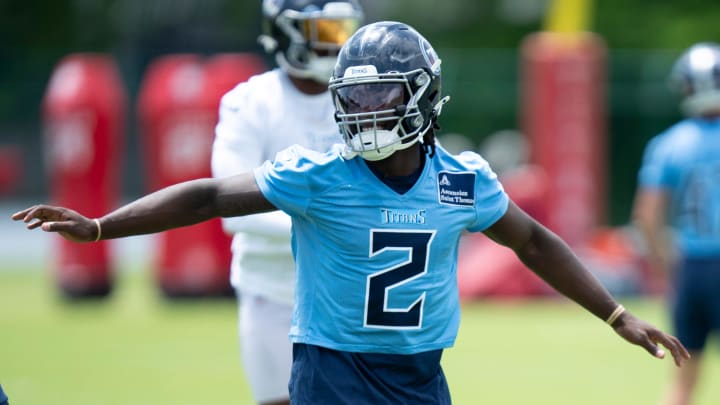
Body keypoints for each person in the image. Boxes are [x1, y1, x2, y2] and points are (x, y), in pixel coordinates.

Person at [15, 21, 689, 404]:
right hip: (331, 371)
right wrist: (102, 226)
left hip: (420, 373)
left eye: (382, 96)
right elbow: (208, 195)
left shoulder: (462, 182)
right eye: (355, 99)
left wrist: (615, 312)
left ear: (423, 97)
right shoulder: (320, 175)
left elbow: (536, 242)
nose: (364, 113)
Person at [210, 1, 363, 404]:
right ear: (288, 33)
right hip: (273, 289)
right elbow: (230, 205)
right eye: (326, 31)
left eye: (344, 29)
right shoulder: (250, 101)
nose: (339, 42)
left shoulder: (365, 97)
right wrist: (333, 225)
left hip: (347, 295)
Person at [632, 42, 720, 405]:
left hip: (692, 268)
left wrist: (666, 267)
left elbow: (647, 217)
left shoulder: (668, 144)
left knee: (683, 380)